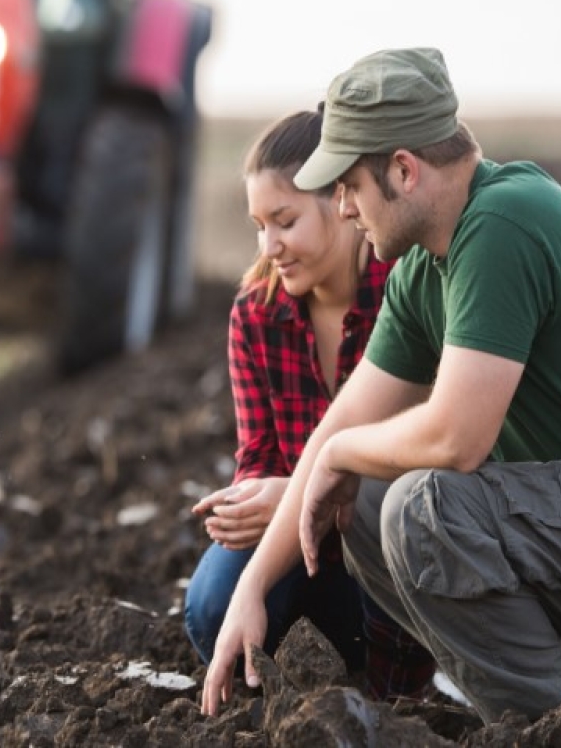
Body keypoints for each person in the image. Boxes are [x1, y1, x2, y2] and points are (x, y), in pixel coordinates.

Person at [201, 47, 561, 723]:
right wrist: (252, 588)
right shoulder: (421, 272)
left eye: (349, 186)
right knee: (369, 501)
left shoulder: (504, 222)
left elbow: (456, 437)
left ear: (404, 171)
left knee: (423, 505)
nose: (345, 209)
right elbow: (341, 426)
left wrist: (337, 455)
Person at [184, 108, 435, 701]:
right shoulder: (255, 312)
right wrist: (259, 496)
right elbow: (257, 453)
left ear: (342, 201)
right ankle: (292, 691)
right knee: (211, 604)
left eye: (285, 221)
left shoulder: (404, 291)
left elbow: (426, 452)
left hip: (392, 553)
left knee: (386, 508)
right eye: (257, 226)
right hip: (299, 551)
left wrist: (300, 494)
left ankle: (393, 697)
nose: (269, 245)